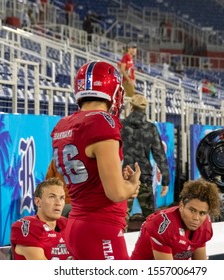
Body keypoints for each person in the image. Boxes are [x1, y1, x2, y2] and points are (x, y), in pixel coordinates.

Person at [51, 60, 141, 260]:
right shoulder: (102, 121)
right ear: (113, 90)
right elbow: (116, 193)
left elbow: (92, 176)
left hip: (77, 223)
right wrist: (132, 186)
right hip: (100, 229)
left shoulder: (63, 124)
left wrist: (119, 179)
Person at [131, 179, 221, 260]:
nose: (196, 218)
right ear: (181, 206)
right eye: (192, 210)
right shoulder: (163, 225)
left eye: (202, 213)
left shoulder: (205, 226)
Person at [121, 94, 170, 222]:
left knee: (121, 218)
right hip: (145, 175)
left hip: (126, 175)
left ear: (131, 107)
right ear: (144, 109)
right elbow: (159, 154)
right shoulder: (150, 128)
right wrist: (165, 180)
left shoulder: (121, 126)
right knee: (151, 220)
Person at [10, 178, 72, 260]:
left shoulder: (68, 224)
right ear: (38, 201)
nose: (58, 203)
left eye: (61, 198)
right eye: (52, 197)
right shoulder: (27, 227)